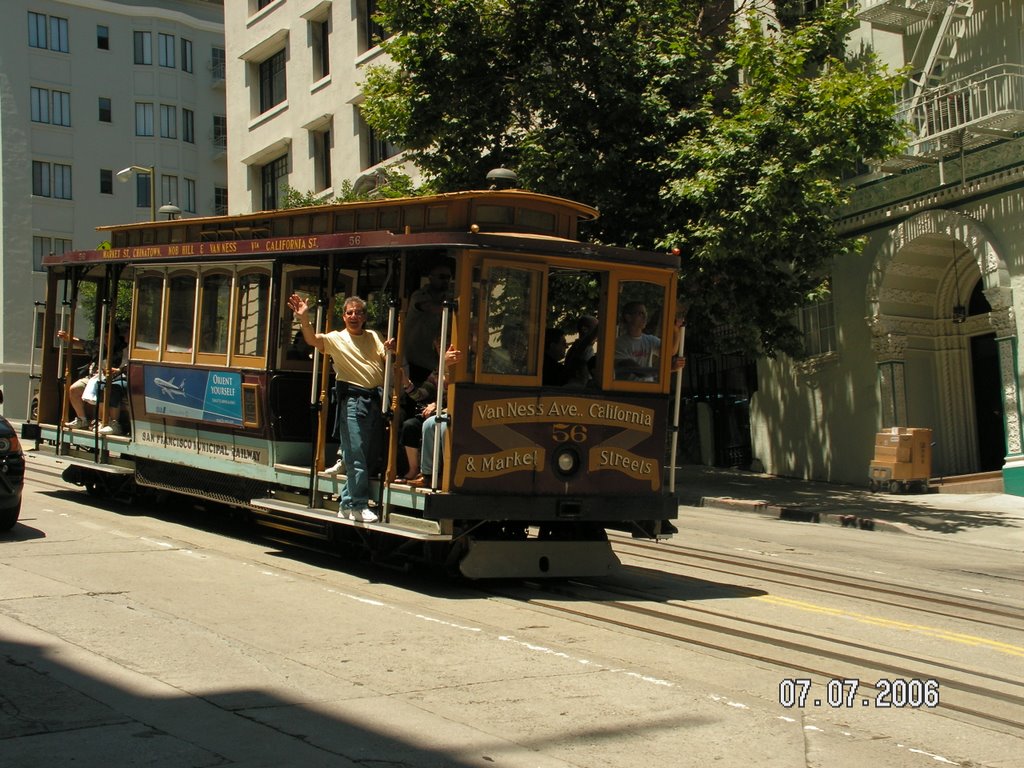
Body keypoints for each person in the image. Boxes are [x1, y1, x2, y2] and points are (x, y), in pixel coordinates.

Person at [287, 293, 394, 523]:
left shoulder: (374, 336)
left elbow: (386, 357)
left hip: (375, 401)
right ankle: (357, 505)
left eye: (359, 312)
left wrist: (391, 349)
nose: (354, 316)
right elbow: (312, 340)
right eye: (350, 312)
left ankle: (346, 504)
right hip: (354, 402)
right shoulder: (336, 338)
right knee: (356, 455)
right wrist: (304, 318)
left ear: (365, 317)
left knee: (367, 454)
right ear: (344, 317)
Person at [402, 339, 461, 484]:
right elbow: (422, 394)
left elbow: (459, 395)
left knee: (438, 425)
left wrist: (438, 407)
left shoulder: (463, 367)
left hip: (458, 412)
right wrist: (406, 383)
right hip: (439, 413)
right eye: (440, 346)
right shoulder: (437, 371)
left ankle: (446, 475)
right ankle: (424, 474)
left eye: (447, 345)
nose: (444, 349)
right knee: (412, 425)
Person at [59, 327, 127, 431]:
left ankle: (107, 422)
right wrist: (68, 337)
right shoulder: (98, 346)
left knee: (104, 388)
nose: (105, 339)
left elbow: (126, 366)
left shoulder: (123, 349)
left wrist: (116, 370)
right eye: (104, 336)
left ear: (116, 337)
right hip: (93, 378)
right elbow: (83, 343)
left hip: (114, 379)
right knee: (74, 389)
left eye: (109, 337)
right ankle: (82, 419)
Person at [403, 261, 454, 383]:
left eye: (448, 277)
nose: (446, 280)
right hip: (415, 361)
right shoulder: (419, 295)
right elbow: (432, 307)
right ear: (430, 278)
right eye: (442, 277)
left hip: (436, 363)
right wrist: (458, 307)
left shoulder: (448, 298)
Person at [614, 302, 684, 381]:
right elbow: (640, 372)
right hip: (628, 391)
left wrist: (676, 330)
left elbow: (670, 352)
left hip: (649, 390)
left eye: (646, 313)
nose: (645, 317)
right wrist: (671, 369)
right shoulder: (619, 344)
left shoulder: (649, 340)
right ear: (628, 317)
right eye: (641, 314)